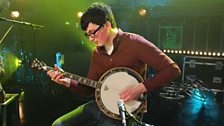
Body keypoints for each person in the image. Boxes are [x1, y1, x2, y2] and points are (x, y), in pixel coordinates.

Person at [47, 2, 181, 126]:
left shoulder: (135, 43)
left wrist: (140, 88)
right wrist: (68, 82)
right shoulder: (97, 53)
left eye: (93, 33)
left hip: (127, 112)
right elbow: (90, 88)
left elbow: (172, 69)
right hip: (101, 107)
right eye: (87, 35)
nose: (91, 38)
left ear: (107, 25)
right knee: (59, 124)